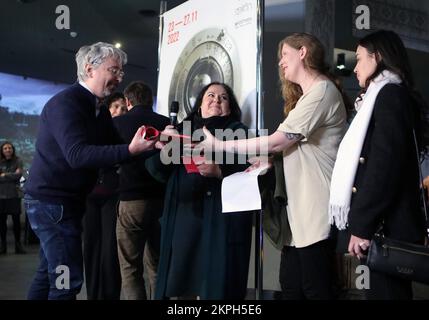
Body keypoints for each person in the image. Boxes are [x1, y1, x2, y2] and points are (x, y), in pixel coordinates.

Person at [198, 34, 347, 299]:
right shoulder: (308, 97)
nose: (280, 62)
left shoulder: (322, 91)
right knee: (292, 289)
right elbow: (289, 149)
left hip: (315, 214)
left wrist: (221, 146)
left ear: (303, 52)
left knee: (315, 291)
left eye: (285, 55)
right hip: (298, 216)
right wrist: (267, 162)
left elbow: (277, 142)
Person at [24, 42, 156, 300]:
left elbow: (113, 150)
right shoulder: (66, 103)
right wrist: (131, 150)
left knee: (47, 273)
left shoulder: (98, 109)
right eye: (114, 70)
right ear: (89, 69)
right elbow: (78, 155)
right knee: (66, 280)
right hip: (51, 204)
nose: (119, 78)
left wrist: (156, 143)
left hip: (64, 203)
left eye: (121, 72)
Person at [329, 30, 429, 300]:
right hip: (384, 223)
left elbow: (383, 167)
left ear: (380, 57)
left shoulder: (390, 96)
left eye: (360, 58)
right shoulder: (380, 97)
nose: (356, 67)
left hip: (386, 226)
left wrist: (362, 226)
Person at [146, 82, 253, 299]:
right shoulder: (182, 130)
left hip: (219, 219)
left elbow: (252, 170)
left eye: (223, 98)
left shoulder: (239, 132)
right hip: (184, 218)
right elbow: (155, 169)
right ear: (200, 106)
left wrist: (219, 171)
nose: (217, 100)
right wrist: (166, 145)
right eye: (210, 95)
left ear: (229, 108)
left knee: (214, 285)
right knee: (182, 282)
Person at [113, 81, 170, 300]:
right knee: (157, 265)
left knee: (130, 269)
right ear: (150, 99)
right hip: (161, 201)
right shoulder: (165, 123)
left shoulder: (118, 123)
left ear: (128, 102)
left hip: (131, 201)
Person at [82, 92, 127, 300]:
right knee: (91, 248)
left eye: (123, 108)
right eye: (115, 107)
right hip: (89, 195)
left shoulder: (126, 131)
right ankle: (93, 294)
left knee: (110, 250)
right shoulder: (96, 128)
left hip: (113, 195)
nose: (119, 111)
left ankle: (110, 295)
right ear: (108, 109)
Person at [0, 142, 26, 254]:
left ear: (12, 149)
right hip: (1, 196)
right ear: (2, 150)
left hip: (14, 195)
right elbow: (14, 175)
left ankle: (18, 246)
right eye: (5, 148)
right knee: (1, 223)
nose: (7, 150)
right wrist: (12, 175)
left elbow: (19, 175)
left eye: (9, 148)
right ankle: (3, 246)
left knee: (16, 222)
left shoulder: (18, 160)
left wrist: (4, 175)